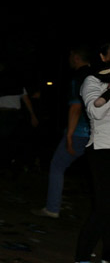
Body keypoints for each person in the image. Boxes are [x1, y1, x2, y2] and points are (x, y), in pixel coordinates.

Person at [33, 48, 92, 218]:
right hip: (100, 131)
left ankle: (52, 208)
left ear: (76, 57)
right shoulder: (99, 75)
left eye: (70, 56)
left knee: (58, 165)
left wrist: (69, 135)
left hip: (81, 131)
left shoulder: (79, 77)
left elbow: (76, 107)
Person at [71, 43, 110, 263]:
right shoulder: (92, 81)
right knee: (104, 207)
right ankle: (81, 261)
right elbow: (95, 112)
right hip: (102, 148)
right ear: (103, 56)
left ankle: (107, 261)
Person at [0, 61, 39, 173]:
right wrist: (32, 115)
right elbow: (25, 98)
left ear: (0, 67)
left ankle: (1, 165)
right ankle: (10, 164)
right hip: (14, 113)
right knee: (11, 140)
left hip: (1, 113)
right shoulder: (17, 80)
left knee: (0, 140)